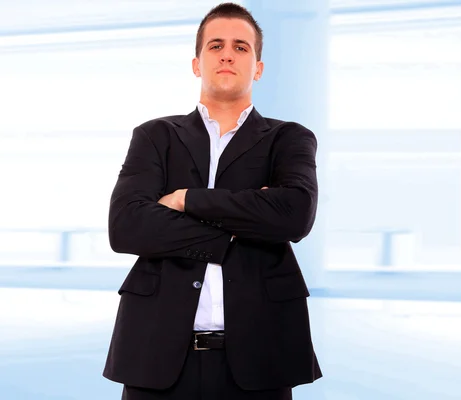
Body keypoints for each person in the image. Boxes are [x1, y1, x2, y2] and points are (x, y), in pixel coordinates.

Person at [102, 3, 322, 399]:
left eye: (241, 47)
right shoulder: (155, 136)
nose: (226, 54)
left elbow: (293, 217)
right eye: (216, 45)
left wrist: (186, 199)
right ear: (196, 63)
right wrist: (238, 230)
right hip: (157, 354)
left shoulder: (289, 138)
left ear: (258, 67)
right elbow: (127, 226)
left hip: (260, 352)